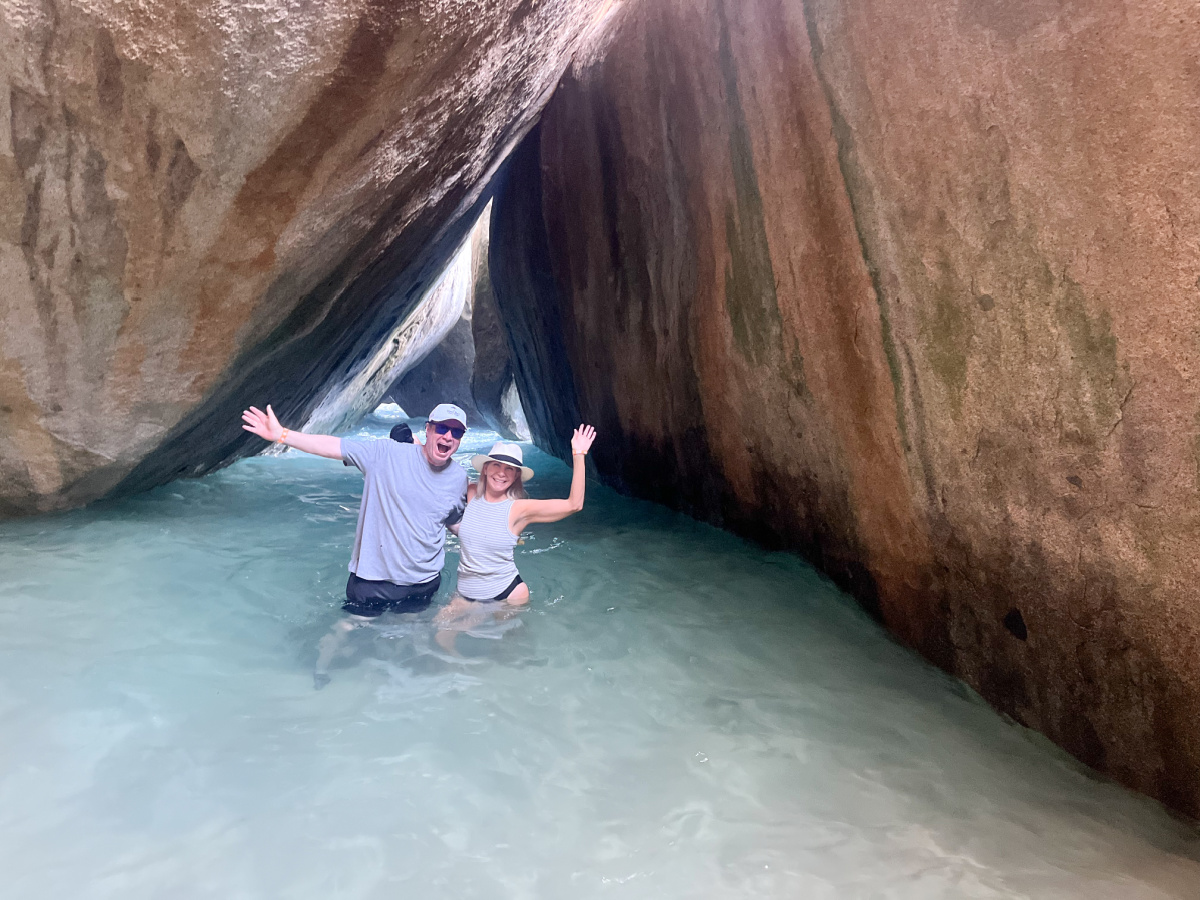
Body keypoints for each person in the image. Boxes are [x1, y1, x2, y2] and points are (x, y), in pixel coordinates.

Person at [240, 402, 469, 687]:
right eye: (443, 428)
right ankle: (321, 670)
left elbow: (454, 520)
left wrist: (493, 537)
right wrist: (282, 435)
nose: (448, 437)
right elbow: (334, 446)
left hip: (423, 582)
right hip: (374, 580)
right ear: (429, 429)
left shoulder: (459, 478)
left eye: (456, 433)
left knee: (409, 630)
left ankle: (393, 673)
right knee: (348, 626)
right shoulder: (385, 454)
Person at [433, 425, 596, 643]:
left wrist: (579, 454)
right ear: (486, 469)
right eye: (496, 465)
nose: (501, 473)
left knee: (510, 651)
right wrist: (415, 447)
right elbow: (437, 476)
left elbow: (574, 504)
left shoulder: (518, 509)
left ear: (516, 476)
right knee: (438, 633)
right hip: (465, 595)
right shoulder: (471, 493)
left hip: (507, 596)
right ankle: (462, 671)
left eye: (509, 469)